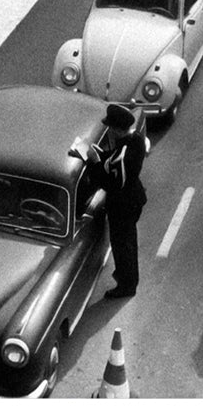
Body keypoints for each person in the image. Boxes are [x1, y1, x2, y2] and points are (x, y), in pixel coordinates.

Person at [86, 104, 147, 298]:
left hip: (123, 206)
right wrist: (102, 156)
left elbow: (111, 182)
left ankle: (127, 286)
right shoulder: (134, 140)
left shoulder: (124, 152)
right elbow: (114, 159)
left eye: (111, 127)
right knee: (127, 243)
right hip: (133, 199)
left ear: (116, 129)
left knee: (123, 247)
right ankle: (127, 280)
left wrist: (95, 162)